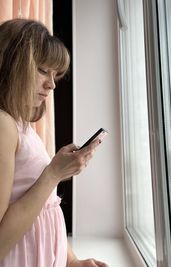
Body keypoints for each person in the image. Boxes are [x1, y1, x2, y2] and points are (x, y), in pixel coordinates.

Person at [0, 18, 108, 267]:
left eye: (55, 74)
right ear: (11, 64)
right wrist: (53, 174)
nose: (52, 84)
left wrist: (72, 261)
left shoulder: (21, 126)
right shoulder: (4, 125)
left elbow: (44, 208)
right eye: (41, 70)